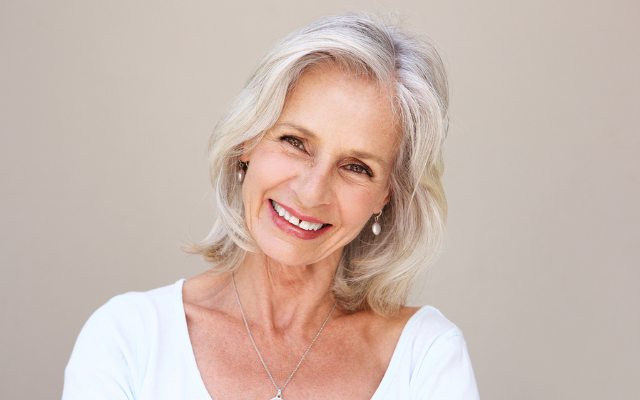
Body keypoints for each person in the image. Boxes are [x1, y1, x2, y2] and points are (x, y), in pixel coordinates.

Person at [63, 12, 479, 400]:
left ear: (386, 194)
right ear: (248, 140)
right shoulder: (128, 339)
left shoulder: (427, 356)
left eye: (356, 167)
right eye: (295, 142)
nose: (312, 192)